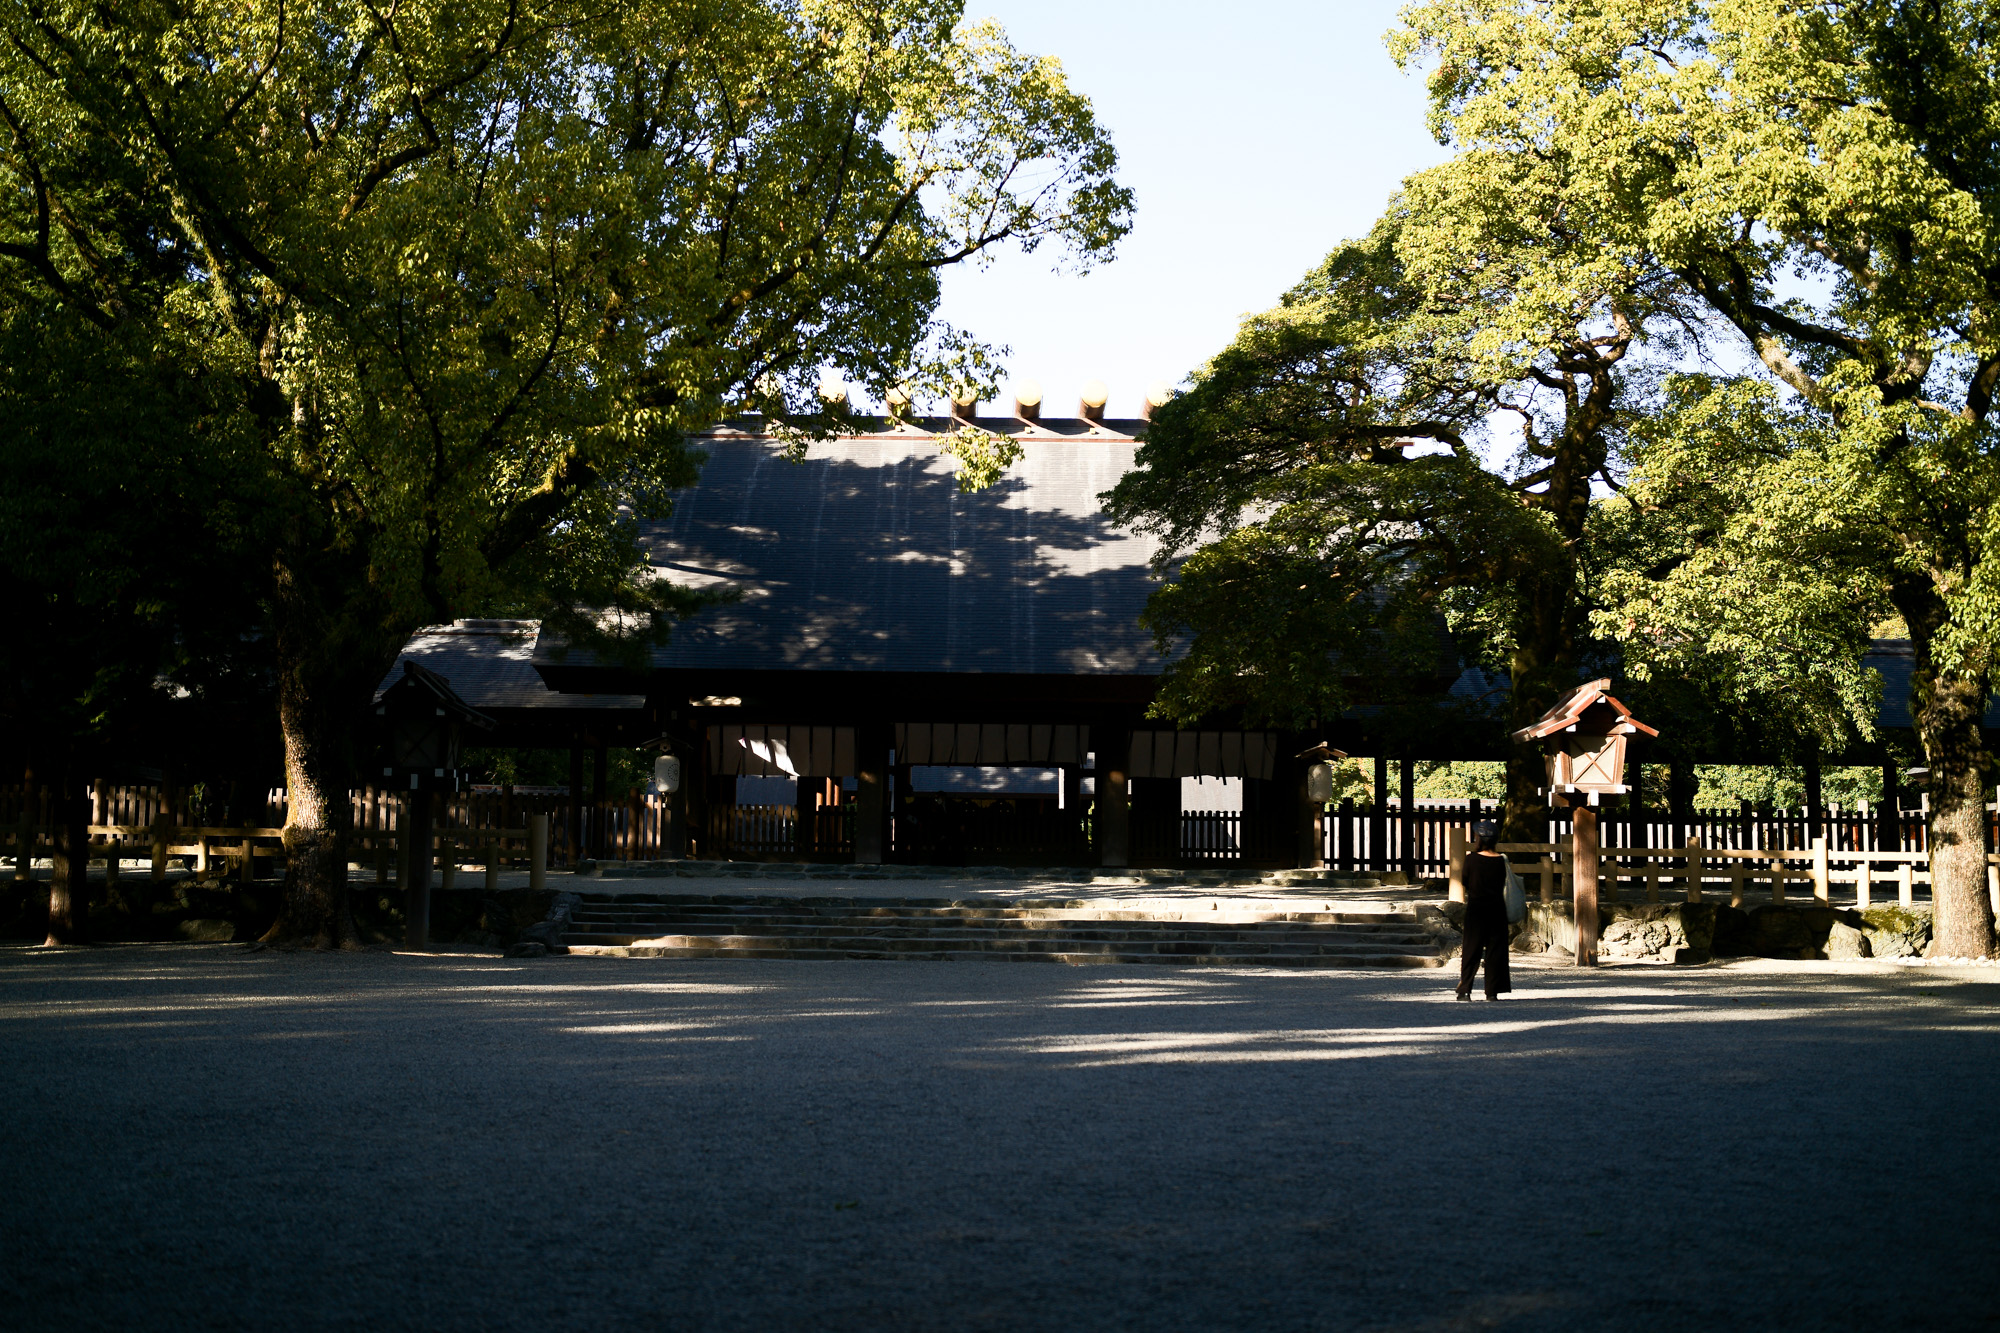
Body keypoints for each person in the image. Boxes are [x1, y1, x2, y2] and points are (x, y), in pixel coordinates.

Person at [1456, 820, 1513, 1001]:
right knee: (1496, 951)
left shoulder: (1471, 859)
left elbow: (1464, 880)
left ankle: (1465, 989)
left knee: (1471, 949)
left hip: (1476, 908)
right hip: (1497, 908)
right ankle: (1492, 991)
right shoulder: (1501, 860)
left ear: (1479, 839)